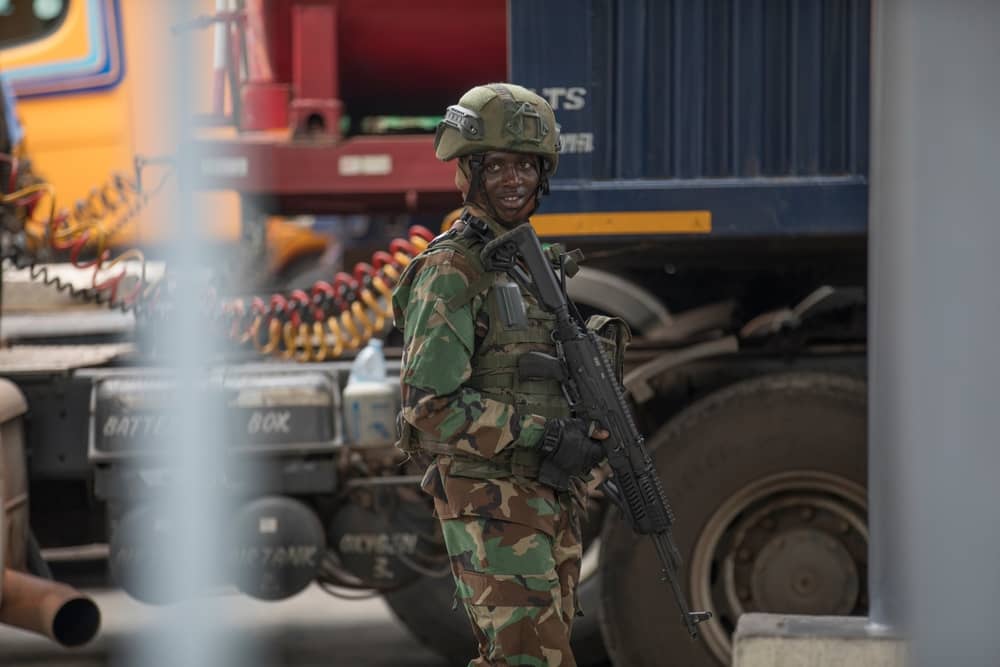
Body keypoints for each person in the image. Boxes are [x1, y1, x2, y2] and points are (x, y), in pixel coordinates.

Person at [392, 83, 610, 666]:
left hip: (544, 495)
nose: (514, 180)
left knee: (545, 656)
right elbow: (429, 407)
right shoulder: (452, 269)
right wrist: (546, 435)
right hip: (491, 501)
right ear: (468, 173)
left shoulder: (526, 262)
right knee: (523, 659)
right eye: (497, 167)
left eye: (526, 167)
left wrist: (581, 431)